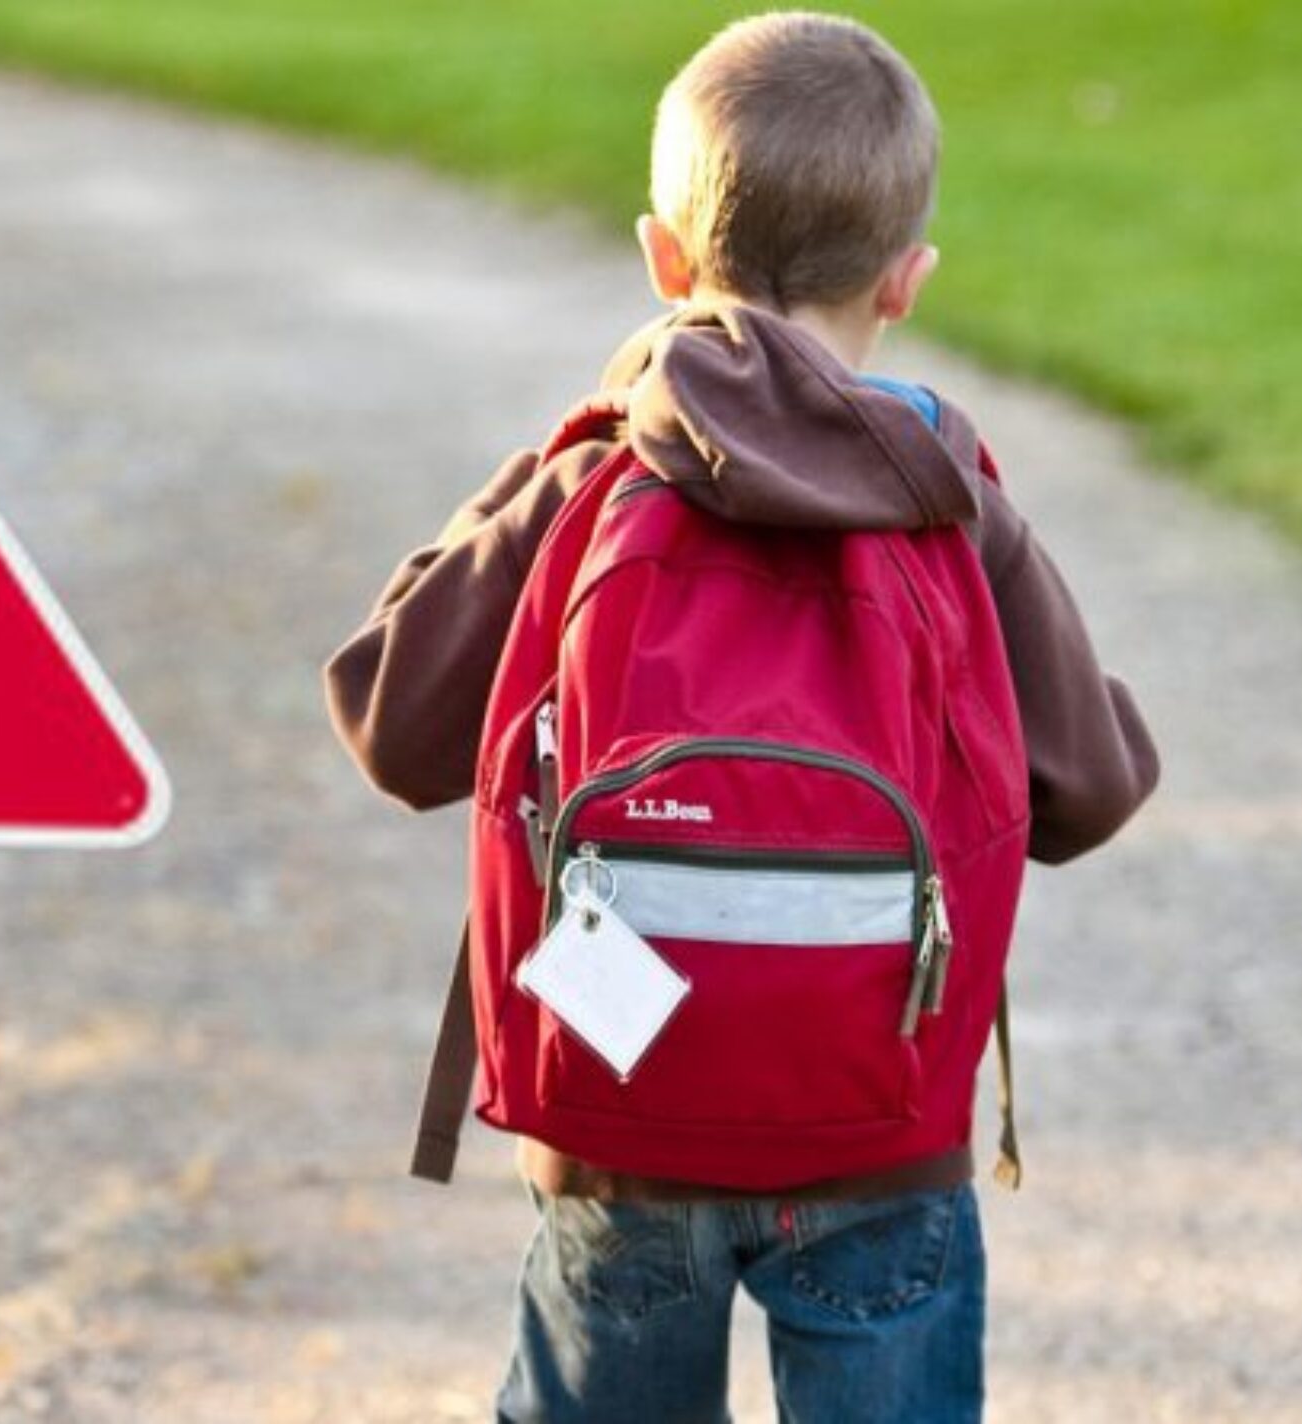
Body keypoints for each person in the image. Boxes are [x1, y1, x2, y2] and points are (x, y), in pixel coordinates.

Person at [322, 13, 1160, 1421]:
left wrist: (545, 465)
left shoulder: (593, 481)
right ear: (906, 280)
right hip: (879, 1134)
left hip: (620, 1122)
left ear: (663, 260)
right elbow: (1091, 792)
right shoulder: (950, 499)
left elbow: (392, 723)